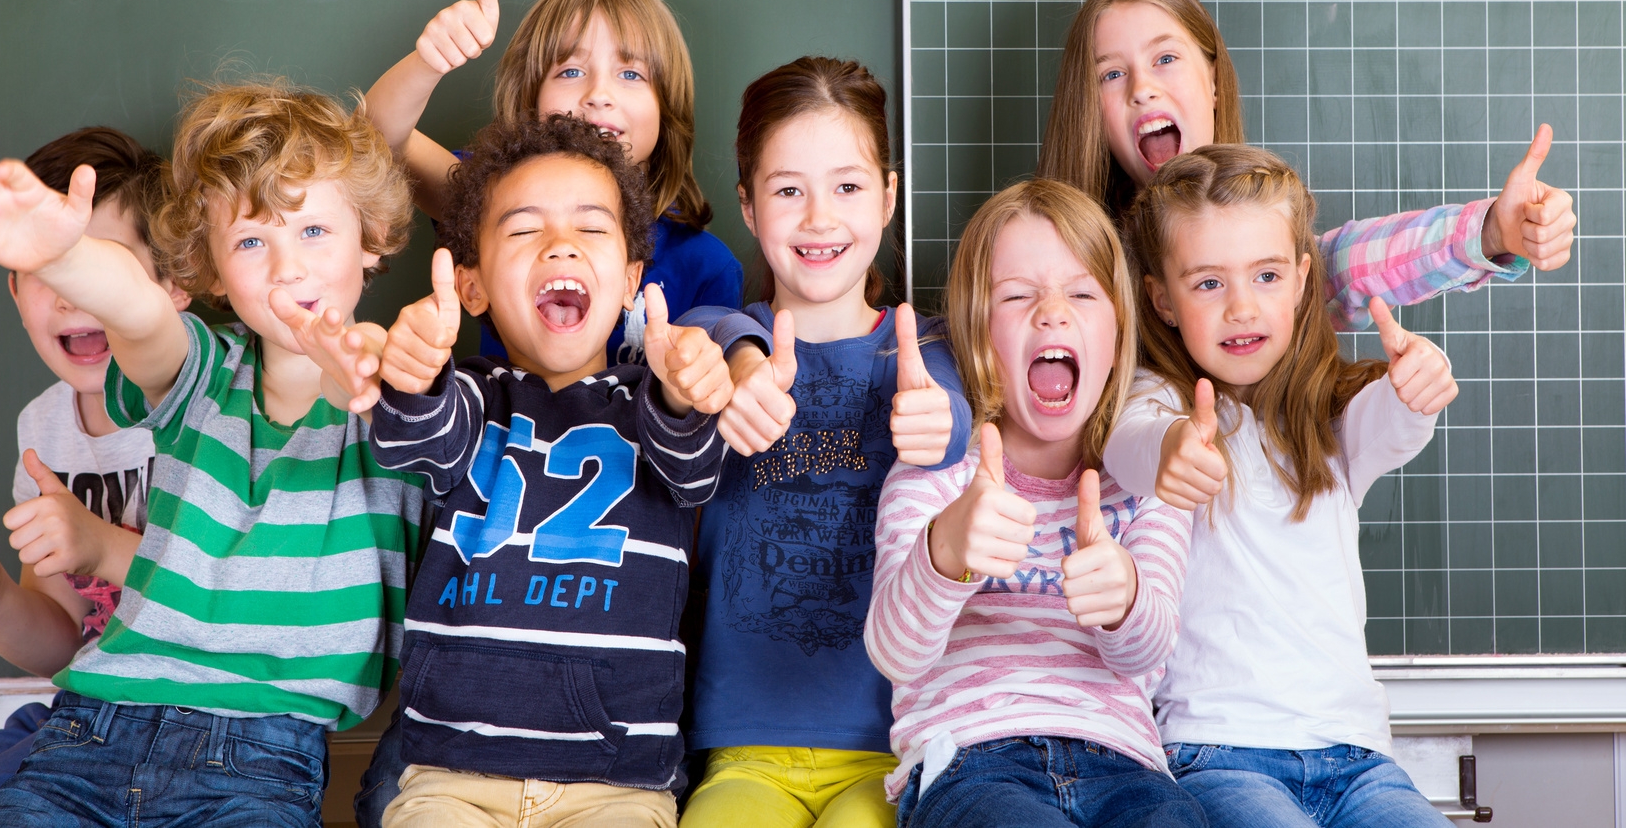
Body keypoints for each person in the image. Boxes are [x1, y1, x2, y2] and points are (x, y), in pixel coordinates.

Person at [0, 81, 428, 827]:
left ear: (373, 238)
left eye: (314, 231)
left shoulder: (405, 390)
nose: (287, 267)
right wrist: (67, 258)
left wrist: (371, 367)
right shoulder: (200, 377)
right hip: (92, 732)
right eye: (251, 242)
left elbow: (382, 391)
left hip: (262, 759)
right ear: (210, 268)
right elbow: (139, 314)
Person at [305, 113, 729, 828]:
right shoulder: (471, 397)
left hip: (617, 784)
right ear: (470, 286)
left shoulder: (653, 402)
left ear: (632, 280)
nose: (561, 243)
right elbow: (418, 432)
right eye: (525, 229)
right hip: (451, 777)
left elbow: (693, 472)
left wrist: (687, 392)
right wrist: (414, 369)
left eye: (590, 227)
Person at [1107, 145, 1459, 828]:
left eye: (1265, 275)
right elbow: (1132, 444)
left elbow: (1394, 419)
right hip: (1218, 753)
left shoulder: (1326, 422)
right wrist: (1174, 448)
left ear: (1301, 282)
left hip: (1357, 758)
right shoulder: (1157, 400)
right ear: (1162, 299)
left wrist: (1420, 381)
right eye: (1208, 284)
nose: (1242, 307)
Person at [674, 57, 972, 828]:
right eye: (787, 191)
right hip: (743, 748)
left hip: (889, 749)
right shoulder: (719, 341)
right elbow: (698, 335)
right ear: (746, 204)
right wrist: (741, 366)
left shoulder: (927, 349)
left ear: (889, 196)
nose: (817, 218)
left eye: (846, 186)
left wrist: (940, 423)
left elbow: (951, 419)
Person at [866, 177, 1201, 828]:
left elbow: (1146, 653)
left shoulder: (1145, 475)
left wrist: (1126, 597)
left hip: (1125, 764)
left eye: (1081, 293)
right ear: (977, 332)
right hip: (969, 760)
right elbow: (894, 653)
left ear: (1116, 335)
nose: (1052, 312)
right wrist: (945, 551)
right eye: (1018, 295)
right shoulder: (937, 471)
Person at [0, 127, 187, 828]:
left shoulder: (212, 404)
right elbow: (62, 640)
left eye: (97, 264)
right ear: (14, 285)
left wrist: (102, 545)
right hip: (83, 711)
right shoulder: (46, 425)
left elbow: (244, 601)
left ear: (173, 285)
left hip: (198, 729)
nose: (71, 294)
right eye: (46, 266)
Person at [1037, 0, 1576, 330]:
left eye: (1165, 59)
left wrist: (1490, 231)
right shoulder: (1071, 265)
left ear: (1214, 82)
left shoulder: (1274, 239)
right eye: (1112, 74)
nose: (1142, 88)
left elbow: (1349, 264)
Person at [364, 0, 742, 365]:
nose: (599, 94)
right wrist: (429, 62)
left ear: (667, 107)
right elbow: (374, 136)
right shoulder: (493, 198)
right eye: (571, 71)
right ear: (530, 100)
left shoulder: (707, 265)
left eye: (631, 74)